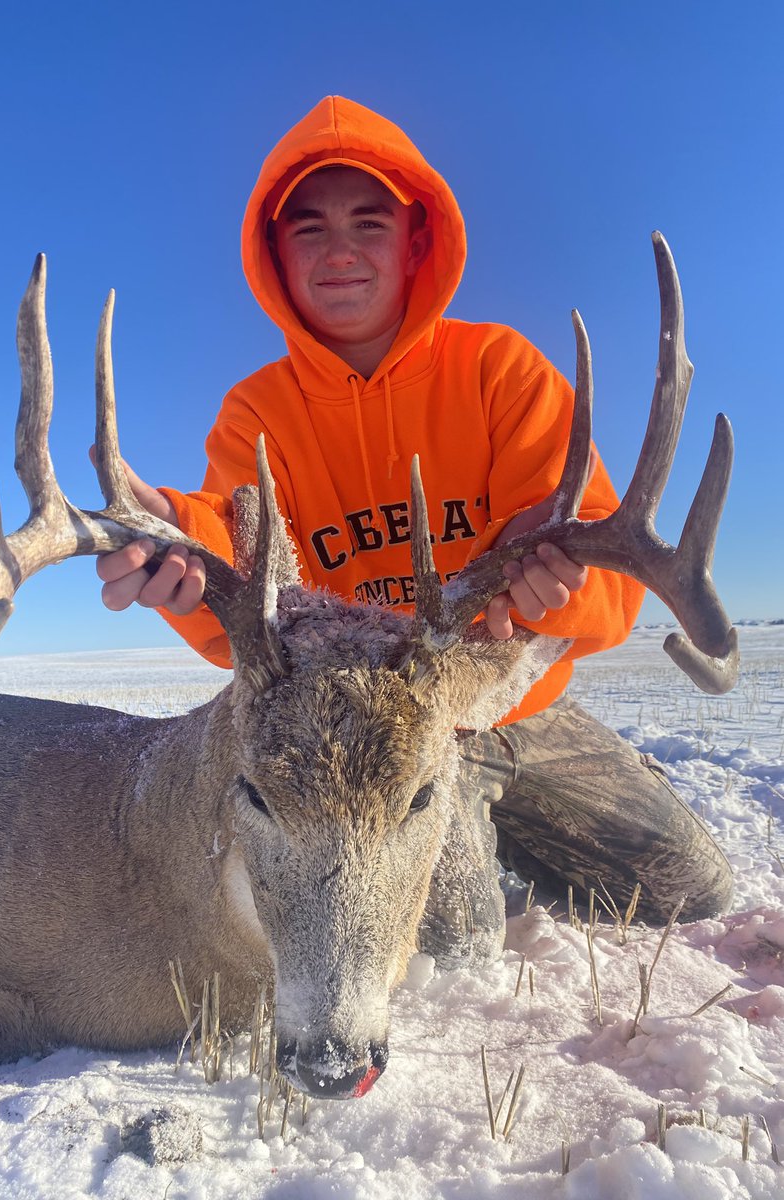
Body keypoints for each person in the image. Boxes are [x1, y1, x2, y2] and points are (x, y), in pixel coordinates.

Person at [95, 97, 733, 943]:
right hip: (370, 737)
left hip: (520, 705)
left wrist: (556, 584)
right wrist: (174, 541)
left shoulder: (500, 371)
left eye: (369, 221)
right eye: (308, 229)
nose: (341, 251)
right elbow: (238, 542)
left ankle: (502, 829)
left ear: (414, 240)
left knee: (693, 893)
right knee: (449, 941)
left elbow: (602, 563)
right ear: (273, 254)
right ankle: (468, 854)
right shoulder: (257, 414)